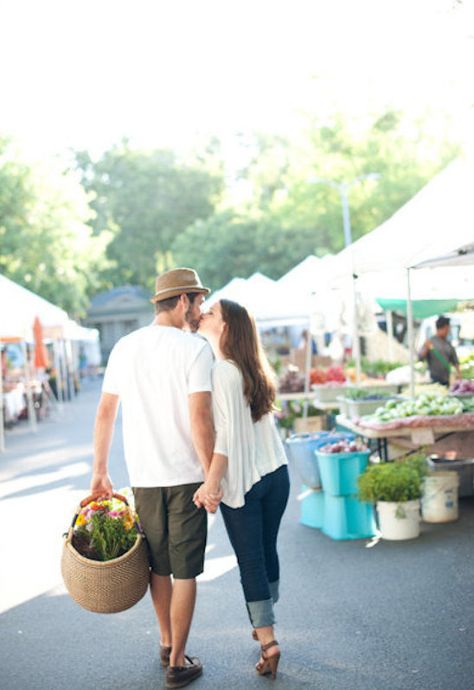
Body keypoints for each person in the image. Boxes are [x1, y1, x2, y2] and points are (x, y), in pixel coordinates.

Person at [90, 268, 215, 690]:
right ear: (182, 301)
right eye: (197, 301)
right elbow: (200, 418)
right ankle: (178, 662)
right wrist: (211, 476)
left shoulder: (126, 347)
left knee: (158, 566)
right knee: (186, 572)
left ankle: (166, 642)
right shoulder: (195, 349)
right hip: (186, 477)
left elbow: (106, 411)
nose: (199, 310)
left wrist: (100, 471)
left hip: (144, 476)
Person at [194, 299, 290, 680]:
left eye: (211, 312)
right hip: (277, 475)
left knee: (250, 561)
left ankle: (268, 641)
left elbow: (227, 440)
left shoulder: (222, 372)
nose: (203, 314)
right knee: (266, 551)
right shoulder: (254, 368)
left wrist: (211, 484)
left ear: (226, 328)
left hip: (246, 483)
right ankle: (264, 613)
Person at [419, 315, 461, 386]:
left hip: (447, 380)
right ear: (442, 328)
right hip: (433, 381)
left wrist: (459, 374)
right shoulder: (430, 342)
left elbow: (455, 361)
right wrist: (426, 348)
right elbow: (420, 358)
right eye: (448, 329)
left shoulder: (448, 344)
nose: (449, 331)